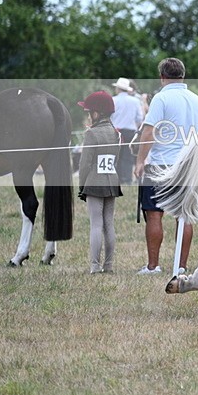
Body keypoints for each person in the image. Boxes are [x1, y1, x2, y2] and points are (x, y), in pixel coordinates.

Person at [134, 58, 198, 275]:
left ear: (162, 77)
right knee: (184, 215)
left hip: (161, 163)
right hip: (188, 164)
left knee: (154, 213)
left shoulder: (161, 98)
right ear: (183, 76)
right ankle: (181, 265)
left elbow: (149, 132)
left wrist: (140, 160)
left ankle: (153, 266)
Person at [77, 90, 123, 274]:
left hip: (95, 181)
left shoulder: (91, 134)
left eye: (89, 112)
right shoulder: (116, 133)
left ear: (97, 113)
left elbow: (84, 164)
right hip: (111, 180)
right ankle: (108, 265)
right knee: (108, 224)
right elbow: (116, 159)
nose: (89, 116)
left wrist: (82, 185)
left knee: (96, 224)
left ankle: (95, 266)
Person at [110, 77, 143, 185]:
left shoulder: (113, 100)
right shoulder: (135, 101)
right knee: (128, 156)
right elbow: (139, 118)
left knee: (116, 156)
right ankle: (127, 179)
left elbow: (109, 116)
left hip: (116, 131)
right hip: (130, 131)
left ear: (118, 89)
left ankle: (117, 178)